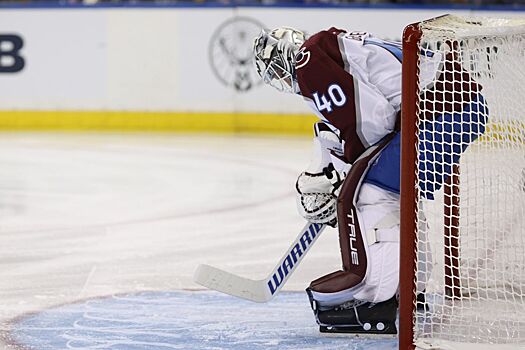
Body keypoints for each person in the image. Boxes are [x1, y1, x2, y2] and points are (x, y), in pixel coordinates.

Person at [253, 26, 488, 334]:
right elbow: (349, 125)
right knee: (390, 189)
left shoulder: (308, 62)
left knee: (370, 192)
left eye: (276, 71)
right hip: (454, 106)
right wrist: (329, 171)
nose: (282, 80)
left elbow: (372, 119)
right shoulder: (325, 52)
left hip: (445, 112)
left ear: (286, 56)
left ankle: (377, 296)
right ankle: (409, 286)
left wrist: (348, 174)